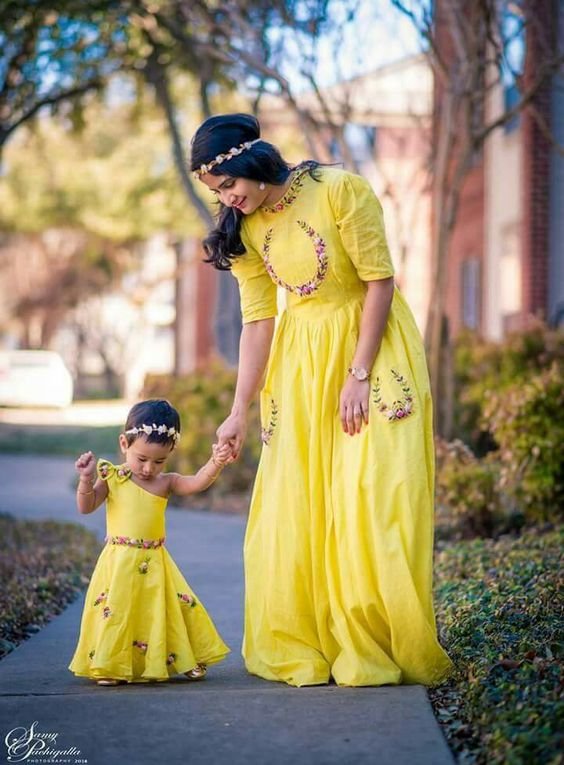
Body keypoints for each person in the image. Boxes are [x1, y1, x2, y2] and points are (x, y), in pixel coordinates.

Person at [190, 113, 453, 688]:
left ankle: (372, 641)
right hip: (302, 364)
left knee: (377, 493)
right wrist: (239, 410)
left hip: (373, 348)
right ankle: (310, 640)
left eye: (227, 185)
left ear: (248, 162)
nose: (228, 201)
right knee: (301, 499)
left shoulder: (340, 190)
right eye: (217, 194)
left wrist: (358, 373)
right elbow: (258, 322)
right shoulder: (247, 230)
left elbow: (379, 280)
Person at [68, 398, 231, 686]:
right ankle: (111, 664)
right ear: (124, 444)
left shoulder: (165, 482)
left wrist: (215, 463)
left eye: (159, 461)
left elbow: (196, 482)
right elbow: (86, 505)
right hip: (119, 562)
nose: (148, 468)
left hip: (154, 560)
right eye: (141, 458)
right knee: (118, 611)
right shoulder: (113, 477)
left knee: (165, 610)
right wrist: (85, 479)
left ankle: (185, 658)